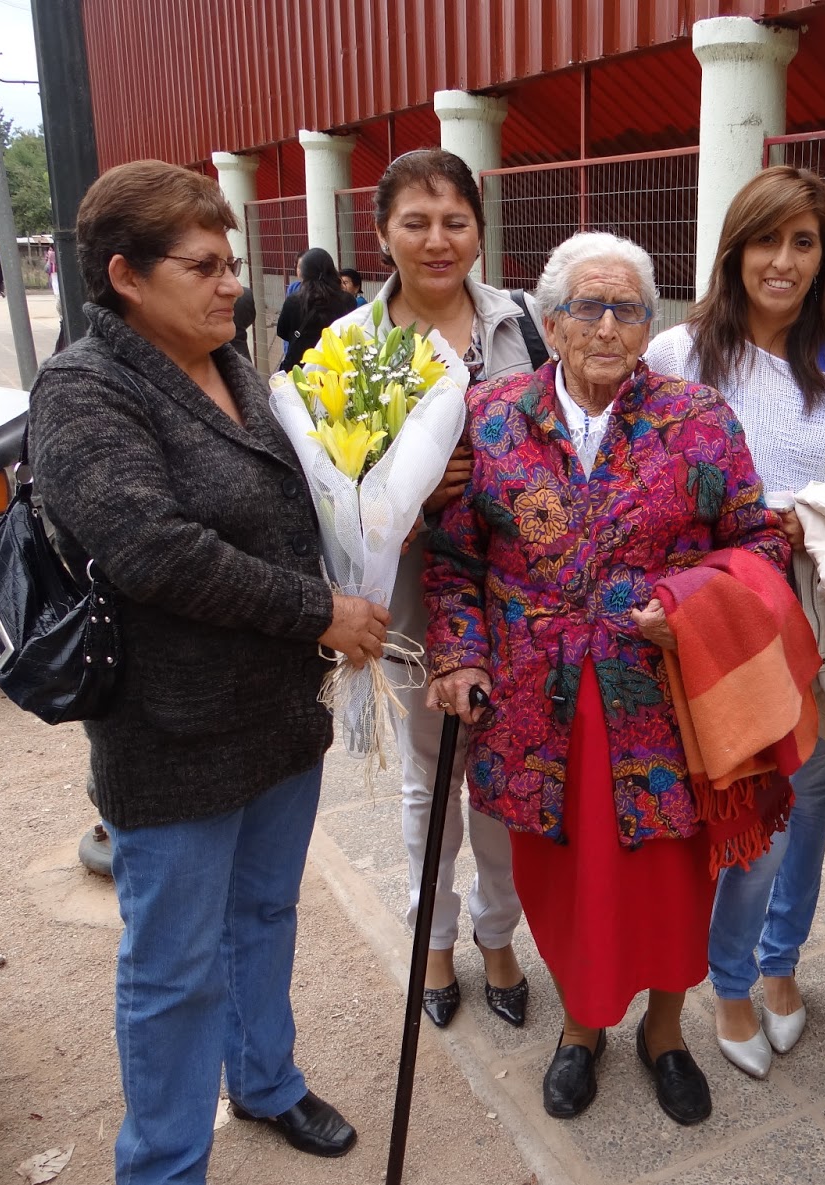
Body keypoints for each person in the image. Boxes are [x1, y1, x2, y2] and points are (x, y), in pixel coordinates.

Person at [28, 159, 389, 1185]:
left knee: (264, 917)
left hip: (276, 718)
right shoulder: (86, 391)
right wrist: (321, 610)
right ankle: (162, 1174)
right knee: (173, 968)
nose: (230, 283)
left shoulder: (232, 368)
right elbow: (153, 549)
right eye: (203, 266)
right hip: (174, 735)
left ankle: (267, 1082)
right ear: (125, 276)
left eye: (230, 262)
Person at [423, 230, 791, 1126]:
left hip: (664, 701)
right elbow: (451, 557)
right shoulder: (491, 414)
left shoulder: (698, 416)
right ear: (549, 321)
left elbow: (760, 540)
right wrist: (460, 654)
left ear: (648, 326)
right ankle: (581, 1029)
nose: (606, 325)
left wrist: (691, 605)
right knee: (563, 877)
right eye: (587, 306)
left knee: (670, 875)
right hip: (535, 705)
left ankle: (665, 1033)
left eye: (627, 308)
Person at [644, 165, 825, 1080]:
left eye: (803, 242)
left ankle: (779, 965)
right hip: (712, 611)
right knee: (736, 795)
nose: (782, 261)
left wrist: (813, 513)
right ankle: (727, 978)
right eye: (766, 240)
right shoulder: (679, 353)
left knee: (810, 795)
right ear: (734, 248)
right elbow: (647, 476)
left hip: (812, 607)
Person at [330, 147, 549, 1031]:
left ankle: (499, 935)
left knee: (503, 769)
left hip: (520, 590)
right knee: (434, 772)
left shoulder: (528, 326)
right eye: (415, 222)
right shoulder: (353, 346)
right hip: (416, 595)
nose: (436, 239)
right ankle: (435, 938)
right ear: (382, 234)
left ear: (479, 232)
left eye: (454, 220)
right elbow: (337, 494)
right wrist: (414, 494)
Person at [275, 247, 357, 372]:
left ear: (304, 272)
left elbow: (282, 331)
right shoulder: (347, 301)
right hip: (334, 369)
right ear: (332, 269)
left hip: (299, 370)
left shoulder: (294, 301)